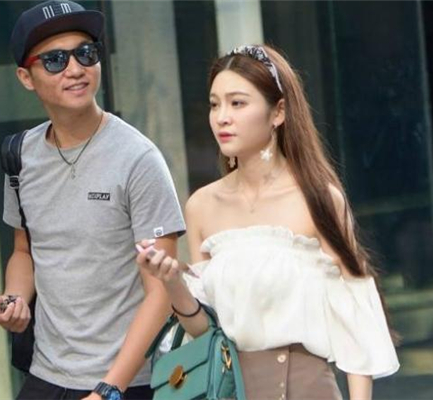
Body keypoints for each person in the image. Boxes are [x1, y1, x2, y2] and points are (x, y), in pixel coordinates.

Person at [137, 44, 399, 400]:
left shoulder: (319, 199)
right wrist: (172, 283)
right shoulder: (202, 205)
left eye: (237, 103)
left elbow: (355, 316)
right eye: (214, 104)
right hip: (232, 388)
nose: (222, 117)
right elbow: (204, 331)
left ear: (278, 112)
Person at [0, 1, 186, 399]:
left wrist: (108, 390)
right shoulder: (19, 156)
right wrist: (16, 299)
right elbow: (25, 250)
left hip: (126, 383)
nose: (75, 69)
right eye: (55, 60)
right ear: (26, 77)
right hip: (45, 375)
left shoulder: (138, 158)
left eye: (85, 53)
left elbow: (162, 292)